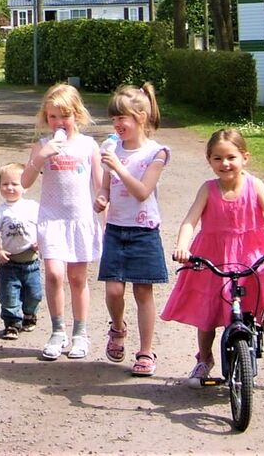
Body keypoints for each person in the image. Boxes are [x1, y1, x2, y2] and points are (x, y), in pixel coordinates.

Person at [161, 128, 264, 387]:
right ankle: (204, 359)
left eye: (231, 157)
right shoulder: (208, 189)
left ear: (245, 157)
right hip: (214, 253)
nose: (225, 164)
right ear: (209, 160)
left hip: (250, 248)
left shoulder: (254, 185)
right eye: (217, 158)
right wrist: (182, 246)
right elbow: (190, 220)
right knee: (208, 311)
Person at [20, 83, 105, 360]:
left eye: (64, 116)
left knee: (77, 278)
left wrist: (104, 206)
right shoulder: (42, 145)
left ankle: (80, 333)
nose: (58, 122)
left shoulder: (88, 145)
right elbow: (25, 182)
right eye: (53, 117)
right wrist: (40, 158)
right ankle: (58, 331)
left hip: (80, 219)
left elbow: (99, 185)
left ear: (76, 115)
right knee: (55, 274)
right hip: (52, 219)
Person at [94, 83, 170, 376]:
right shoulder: (111, 147)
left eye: (121, 118)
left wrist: (120, 167)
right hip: (115, 228)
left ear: (140, 116)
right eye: (114, 119)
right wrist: (101, 198)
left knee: (143, 292)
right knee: (113, 290)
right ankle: (117, 327)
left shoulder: (156, 153)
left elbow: (142, 192)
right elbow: (105, 186)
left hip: (144, 231)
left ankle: (146, 351)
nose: (117, 124)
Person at [0, 162, 43, 340]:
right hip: (9, 263)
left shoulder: (33, 207)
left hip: (31, 262)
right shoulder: (0, 212)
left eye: (15, 184)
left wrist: (39, 242)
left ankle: (29, 314)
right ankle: (11, 324)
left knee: (34, 294)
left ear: (25, 186)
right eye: (5, 184)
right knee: (8, 296)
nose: (10, 188)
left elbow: (44, 227)